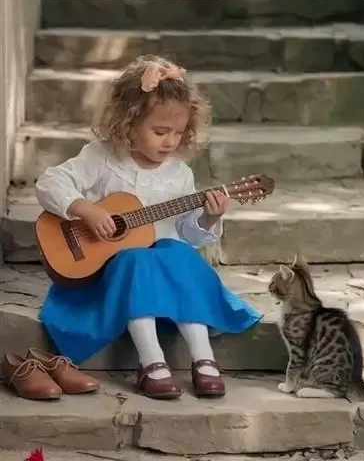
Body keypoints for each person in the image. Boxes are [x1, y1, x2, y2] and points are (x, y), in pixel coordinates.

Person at [35, 55, 263, 400]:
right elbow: (50, 182)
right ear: (128, 123)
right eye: (160, 131)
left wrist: (209, 218)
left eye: (178, 133)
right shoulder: (102, 157)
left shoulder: (179, 174)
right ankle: (151, 360)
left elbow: (186, 232)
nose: (170, 142)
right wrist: (87, 211)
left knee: (179, 254)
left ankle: (203, 358)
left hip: (168, 276)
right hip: (106, 276)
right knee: (137, 258)